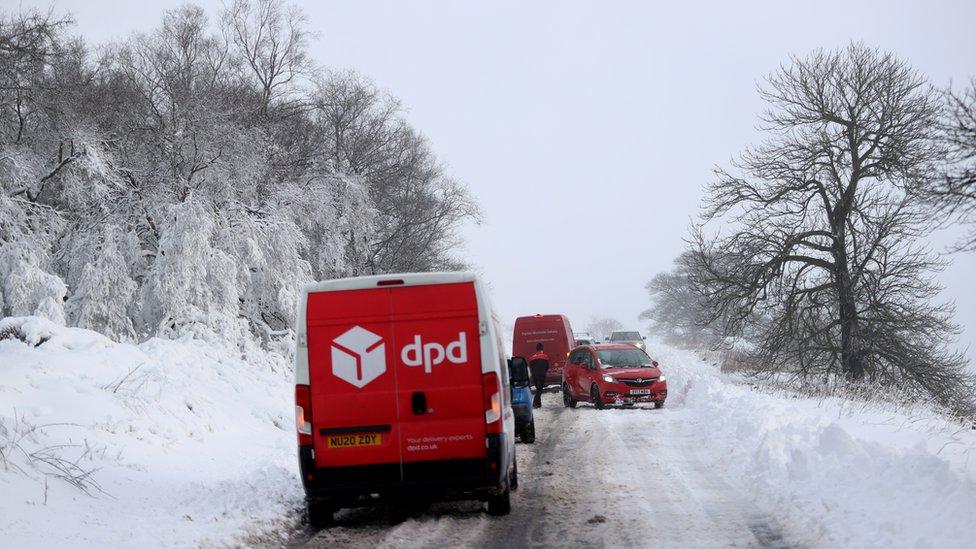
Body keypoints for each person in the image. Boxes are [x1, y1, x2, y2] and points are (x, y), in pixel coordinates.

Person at [528, 343, 550, 409]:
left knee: (538, 389)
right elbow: (547, 366)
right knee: (539, 390)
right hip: (541, 375)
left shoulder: (532, 358)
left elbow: (530, 367)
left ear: (536, 349)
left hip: (534, 375)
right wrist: (544, 372)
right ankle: (535, 403)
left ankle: (538, 403)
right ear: (542, 349)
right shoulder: (545, 357)